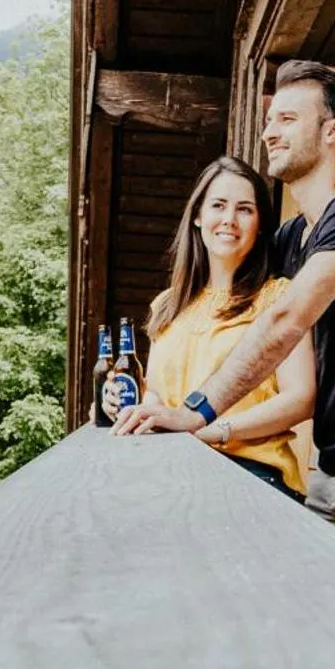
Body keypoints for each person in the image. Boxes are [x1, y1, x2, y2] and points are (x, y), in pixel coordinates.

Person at [115, 61, 335, 583]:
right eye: (269, 120)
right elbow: (234, 288)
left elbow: (284, 319)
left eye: (288, 119)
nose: (270, 131)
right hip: (334, 464)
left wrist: (198, 414)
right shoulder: (292, 238)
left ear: (332, 131)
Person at [103, 156, 314, 499]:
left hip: (252, 478)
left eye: (245, 209)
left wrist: (213, 431)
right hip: (172, 472)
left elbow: (300, 398)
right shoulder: (168, 305)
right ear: (198, 216)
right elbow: (159, 395)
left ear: (260, 224)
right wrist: (126, 403)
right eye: (218, 205)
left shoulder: (279, 298)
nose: (229, 219)